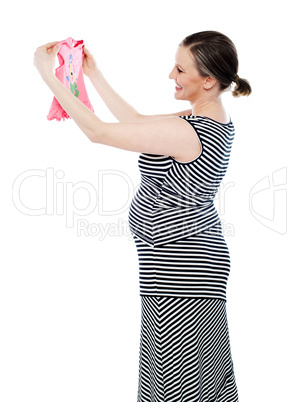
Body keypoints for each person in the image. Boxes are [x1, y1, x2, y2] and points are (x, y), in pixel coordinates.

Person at [34, 30, 251, 401]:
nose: (171, 75)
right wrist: (93, 75)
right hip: (180, 265)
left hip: (182, 271)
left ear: (208, 80)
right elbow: (134, 119)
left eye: (180, 69)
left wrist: (47, 74)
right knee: (186, 376)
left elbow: (98, 132)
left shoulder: (187, 131)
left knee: (176, 380)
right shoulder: (205, 119)